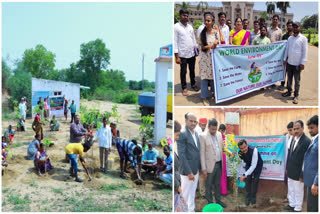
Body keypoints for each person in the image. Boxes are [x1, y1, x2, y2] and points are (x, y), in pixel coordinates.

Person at [284, 120, 311, 212]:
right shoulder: (293, 139)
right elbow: (290, 155)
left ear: (303, 128)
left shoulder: (306, 141)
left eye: (297, 129)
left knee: (298, 190)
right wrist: (287, 168)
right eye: (294, 129)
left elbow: (306, 160)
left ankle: (298, 208)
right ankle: (292, 204)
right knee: (291, 189)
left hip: (299, 172)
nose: (295, 131)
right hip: (291, 170)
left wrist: (302, 174)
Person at [199, 119, 227, 207]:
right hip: (209, 166)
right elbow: (202, 153)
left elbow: (222, 148)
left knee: (217, 184)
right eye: (212, 129)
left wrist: (229, 152)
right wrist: (203, 169)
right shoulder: (202, 136)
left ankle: (218, 201)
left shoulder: (219, 134)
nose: (214, 131)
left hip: (219, 164)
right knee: (209, 185)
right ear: (208, 127)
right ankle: (210, 203)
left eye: (215, 129)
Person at [177, 112, 201, 212]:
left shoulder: (195, 132)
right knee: (185, 195)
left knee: (192, 192)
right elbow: (182, 155)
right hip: (187, 171)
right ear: (186, 121)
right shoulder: (182, 133)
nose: (193, 123)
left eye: (195, 121)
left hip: (195, 169)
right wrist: (189, 172)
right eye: (191, 121)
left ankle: (191, 210)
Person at [174, 9, 199, 96]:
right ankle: (184, 88)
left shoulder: (190, 27)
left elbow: (193, 39)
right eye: (184, 15)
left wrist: (196, 48)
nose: (186, 17)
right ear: (180, 16)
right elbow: (175, 42)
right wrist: (177, 56)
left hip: (191, 53)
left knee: (192, 70)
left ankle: (193, 84)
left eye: (187, 16)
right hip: (182, 54)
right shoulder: (176, 27)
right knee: (183, 71)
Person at [282, 22, 308, 104]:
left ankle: (296, 95)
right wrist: (285, 59)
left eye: (297, 27)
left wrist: (303, 63)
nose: (295, 28)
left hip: (297, 64)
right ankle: (289, 91)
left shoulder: (303, 39)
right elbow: (287, 49)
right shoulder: (290, 38)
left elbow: (305, 51)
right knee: (289, 80)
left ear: (300, 28)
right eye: (294, 27)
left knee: (297, 81)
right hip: (290, 63)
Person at [198, 12, 219, 106]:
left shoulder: (216, 33)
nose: (206, 22)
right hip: (205, 59)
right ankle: (204, 97)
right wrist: (210, 46)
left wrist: (216, 42)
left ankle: (214, 93)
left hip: (214, 59)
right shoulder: (202, 33)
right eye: (205, 20)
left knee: (214, 77)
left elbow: (219, 42)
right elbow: (200, 47)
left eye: (208, 21)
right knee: (204, 78)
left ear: (212, 22)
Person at [238, 139, 263, 206]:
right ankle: (247, 198)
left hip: (257, 165)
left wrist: (245, 174)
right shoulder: (240, 153)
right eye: (241, 148)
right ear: (240, 148)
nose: (244, 150)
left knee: (255, 180)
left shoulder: (254, 150)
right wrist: (242, 175)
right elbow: (241, 164)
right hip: (248, 164)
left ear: (247, 145)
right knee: (248, 180)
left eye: (245, 147)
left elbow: (253, 165)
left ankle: (253, 197)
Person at [302, 115, 318, 212]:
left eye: (312, 128)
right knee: (311, 207)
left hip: (315, 183)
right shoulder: (314, 140)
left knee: (313, 208)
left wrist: (316, 183)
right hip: (310, 181)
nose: (310, 131)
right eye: (309, 128)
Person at [279, 21, 294, 90]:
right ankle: (282, 84)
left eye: (290, 26)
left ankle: (288, 85)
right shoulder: (284, 36)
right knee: (284, 71)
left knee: (290, 73)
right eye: (288, 26)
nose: (289, 27)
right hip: (285, 56)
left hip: (292, 57)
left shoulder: (294, 36)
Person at [218, 124, 228, 196]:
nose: (222, 132)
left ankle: (223, 191)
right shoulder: (217, 136)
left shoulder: (224, 137)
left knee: (223, 174)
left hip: (223, 157)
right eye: (221, 130)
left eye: (223, 131)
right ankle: (222, 191)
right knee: (220, 174)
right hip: (219, 157)